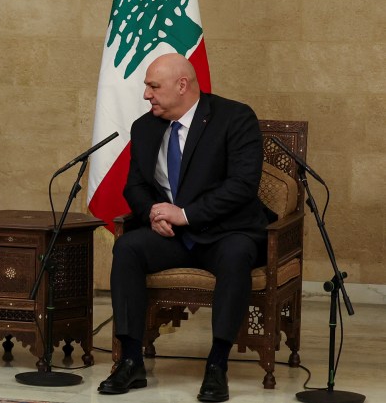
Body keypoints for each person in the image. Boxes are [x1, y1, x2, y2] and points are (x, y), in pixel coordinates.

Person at [98, 53, 268, 402]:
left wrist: (185, 214)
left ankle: (217, 365)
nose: (146, 95)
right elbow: (135, 186)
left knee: (237, 255)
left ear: (182, 85)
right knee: (128, 248)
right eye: (147, 86)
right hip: (173, 237)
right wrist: (154, 215)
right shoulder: (145, 127)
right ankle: (131, 361)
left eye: (153, 86)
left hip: (226, 231)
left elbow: (241, 185)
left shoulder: (234, 118)